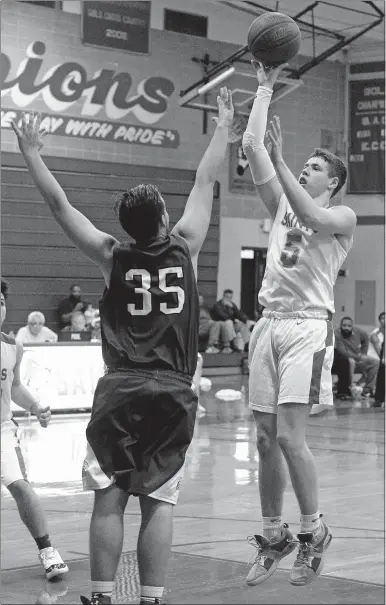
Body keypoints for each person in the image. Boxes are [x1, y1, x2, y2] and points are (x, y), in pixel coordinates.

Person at [12, 89, 234, 605]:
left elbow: (58, 204)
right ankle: (152, 597)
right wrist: (222, 126)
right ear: (162, 218)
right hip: (173, 391)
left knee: (109, 497)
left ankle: (102, 596)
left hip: (121, 388)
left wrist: (31, 152)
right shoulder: (188, 243)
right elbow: (205, 180)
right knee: (159, 501)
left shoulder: (110, 255)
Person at [242, 61, 356, 587]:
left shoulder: (344, 217)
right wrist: (264, 87)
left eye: (315, 166)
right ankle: (274, 534)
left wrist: (285, 163)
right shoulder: (281, 205)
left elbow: (312, 216)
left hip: (308, 327)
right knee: (264, 439)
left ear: (332, 181)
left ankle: (314, 533)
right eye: (303, 163)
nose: (305, 168)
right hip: (267, 324)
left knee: (290, 437)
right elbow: (253, 148)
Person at [1, 280, 68, 580]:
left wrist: (37, 407)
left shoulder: (12, 345)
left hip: (1, 430)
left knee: (21, 487)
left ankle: (48, 552)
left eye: (2, 301)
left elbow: (14, 387)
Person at [335, 317, 378, 397]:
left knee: (375, 363)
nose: (346, 328)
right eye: (344, 325)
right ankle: (350, 388)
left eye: (349, 326)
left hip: (357, 358)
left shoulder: (358, 331)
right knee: (351, 361)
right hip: (343, 361)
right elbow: (343, 352)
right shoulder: (337, 333)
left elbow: (365, 338)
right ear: (340, 326)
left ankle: (367, 389)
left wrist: (363, 353)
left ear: (352, 326)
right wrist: (359, 357)